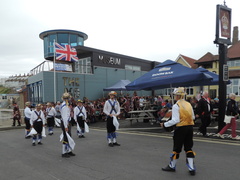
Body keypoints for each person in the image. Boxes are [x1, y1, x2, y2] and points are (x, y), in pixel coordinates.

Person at [160, 87, 196, 176]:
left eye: (175, 95)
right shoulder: (188, 104)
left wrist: (165, 124)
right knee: (188, 148)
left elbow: (175, 120)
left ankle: (172, 166)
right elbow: (193, 117)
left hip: (180, 129)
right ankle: (191, 168)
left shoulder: (176, 106)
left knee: (177, 148)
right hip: (190, 127)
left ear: (177, 96)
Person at [60, 92, 76, 158]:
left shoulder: (66, 105)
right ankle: (64, 152)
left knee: (69, 136)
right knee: (66, 137)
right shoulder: (65, 106)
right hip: (65, 123)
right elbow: (64, 117)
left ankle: (68, 150)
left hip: (67, 122)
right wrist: (66, 126)